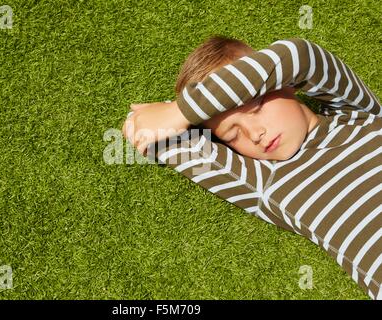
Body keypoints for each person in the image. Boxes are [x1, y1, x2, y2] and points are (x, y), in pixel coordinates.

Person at [122, 36, 381, 299]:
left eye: (255, 108)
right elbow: (143, 129)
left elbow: (300, 55)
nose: (255, 134)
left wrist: (180, 112)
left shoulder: (358, 115)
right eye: (232, 135)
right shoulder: (267, 183)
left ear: (284, 83)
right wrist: (169, 117)